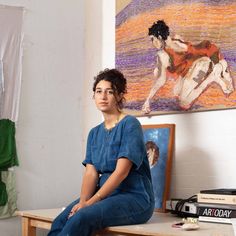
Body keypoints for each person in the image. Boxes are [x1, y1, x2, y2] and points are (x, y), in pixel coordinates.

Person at [48, 68, 155, 236]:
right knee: (62, 220)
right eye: (99, 91)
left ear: (119, 96)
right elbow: (91, 173)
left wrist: (91, 203)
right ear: (94, 96)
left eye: (109, 92)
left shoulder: (130, 125)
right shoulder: (94, 133)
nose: (103, 97)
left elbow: (121, 172)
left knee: (82, 217)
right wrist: (83, 201)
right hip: (105, 196)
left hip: (134, 198)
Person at [142, 20, 234, 114]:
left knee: (184, 102)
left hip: (201, 66)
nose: (152, 42)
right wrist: (148, 99)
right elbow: (162, 78)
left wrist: (148, 100)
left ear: (159, 37)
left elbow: (160, 80)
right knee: (176, 91)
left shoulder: (164, 53)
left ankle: (212, 76)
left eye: (153, 39)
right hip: (199, 65)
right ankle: (214, 72)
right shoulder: (175, 41)